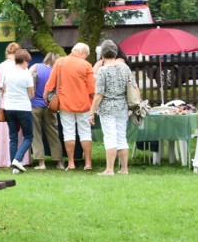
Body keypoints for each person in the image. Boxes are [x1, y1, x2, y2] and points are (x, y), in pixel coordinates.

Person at [45, 42, 95, 171]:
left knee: (68, 133)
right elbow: (91, 89)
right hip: (83, 104)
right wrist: (95, 105)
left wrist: (45, 96)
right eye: (87, 55)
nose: (86, 57)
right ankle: (88, 163)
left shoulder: (60, 62)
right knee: (85, 133)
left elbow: (50, 83)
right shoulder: (87, 65)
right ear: (83, 52)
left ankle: (71, 163)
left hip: (65, 103)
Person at [88, 41, 131, 175]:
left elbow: (99, 93)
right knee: (122, 137)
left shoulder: (103, 70)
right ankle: (124, 169)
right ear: (116, 53)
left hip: (107, 108)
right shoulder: (125, 67)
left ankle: (109, 169)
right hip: (122, 106)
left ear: (102, 54)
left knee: (110, 137)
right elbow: (133, 87)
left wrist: (91, 112)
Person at [0, 43, 30, 167]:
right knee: (22, 133)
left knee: (7, 133)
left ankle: (4, 160)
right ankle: (21, 159)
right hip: (20, 101)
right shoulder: (21, 67)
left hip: (3, 101)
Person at [28, 52, 64, 170]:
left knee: (36, 134)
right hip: (50, 106)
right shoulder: (56, 72)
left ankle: (41, 163)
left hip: (34, 105)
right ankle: (59, 162)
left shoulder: (36, 67)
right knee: (53, 133)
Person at [2, 49, 35, 173]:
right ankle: (17, 159)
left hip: (9, 107)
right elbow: (31, 94)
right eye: (28, 62)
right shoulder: (26, 74)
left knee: (13, 137)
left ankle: (14, 167)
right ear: (25, 61)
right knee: (28, 136)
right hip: (23, 108)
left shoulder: (7, 73)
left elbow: (3, 89)